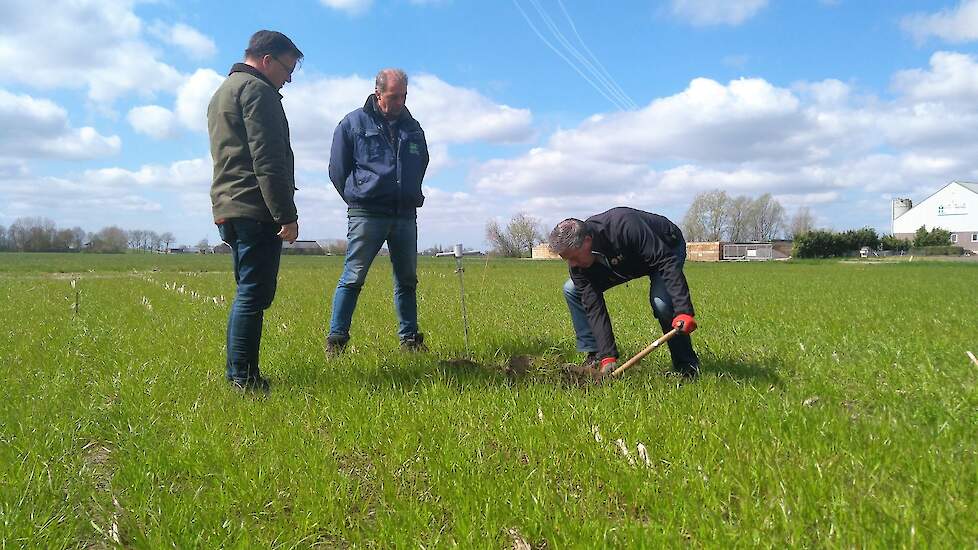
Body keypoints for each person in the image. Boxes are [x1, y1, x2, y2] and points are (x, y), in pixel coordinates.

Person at [207, 30, 303, 392]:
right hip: (255, 206)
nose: (288, 78)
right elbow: (268, 160)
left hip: (229, 204)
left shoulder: (223, 92)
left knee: (248, 290)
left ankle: (241, 373)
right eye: (287, 68)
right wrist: (285, 214)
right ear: (267, 60)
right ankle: (243, 379)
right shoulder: (258, 91)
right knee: (253, 293)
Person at [326, 68, 430, 354]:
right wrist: (358, 197)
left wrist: (409, 192)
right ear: (378, 94)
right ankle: (337, 341)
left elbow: (422, 161)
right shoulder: (352, 123)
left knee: (407, 280)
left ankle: (409, 340)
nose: (400, 102)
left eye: (404, 96)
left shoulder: (414, 128)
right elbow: (337, 169)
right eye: (393, 97)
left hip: (405, 215)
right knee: (353, 276)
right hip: (367, 215)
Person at [548, 207, 701, 377]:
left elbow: (666, 262)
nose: (573, 264)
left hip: (665, 247)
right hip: (621, 262)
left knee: (662, 304)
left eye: (574, 257)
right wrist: (608, 356)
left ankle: (686, 366)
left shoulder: (624, 225)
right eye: (567, 259)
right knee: (572, 289)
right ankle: (596, 356)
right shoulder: (577, 265)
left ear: (588, 241)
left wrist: (683, 311)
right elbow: (593, 305)